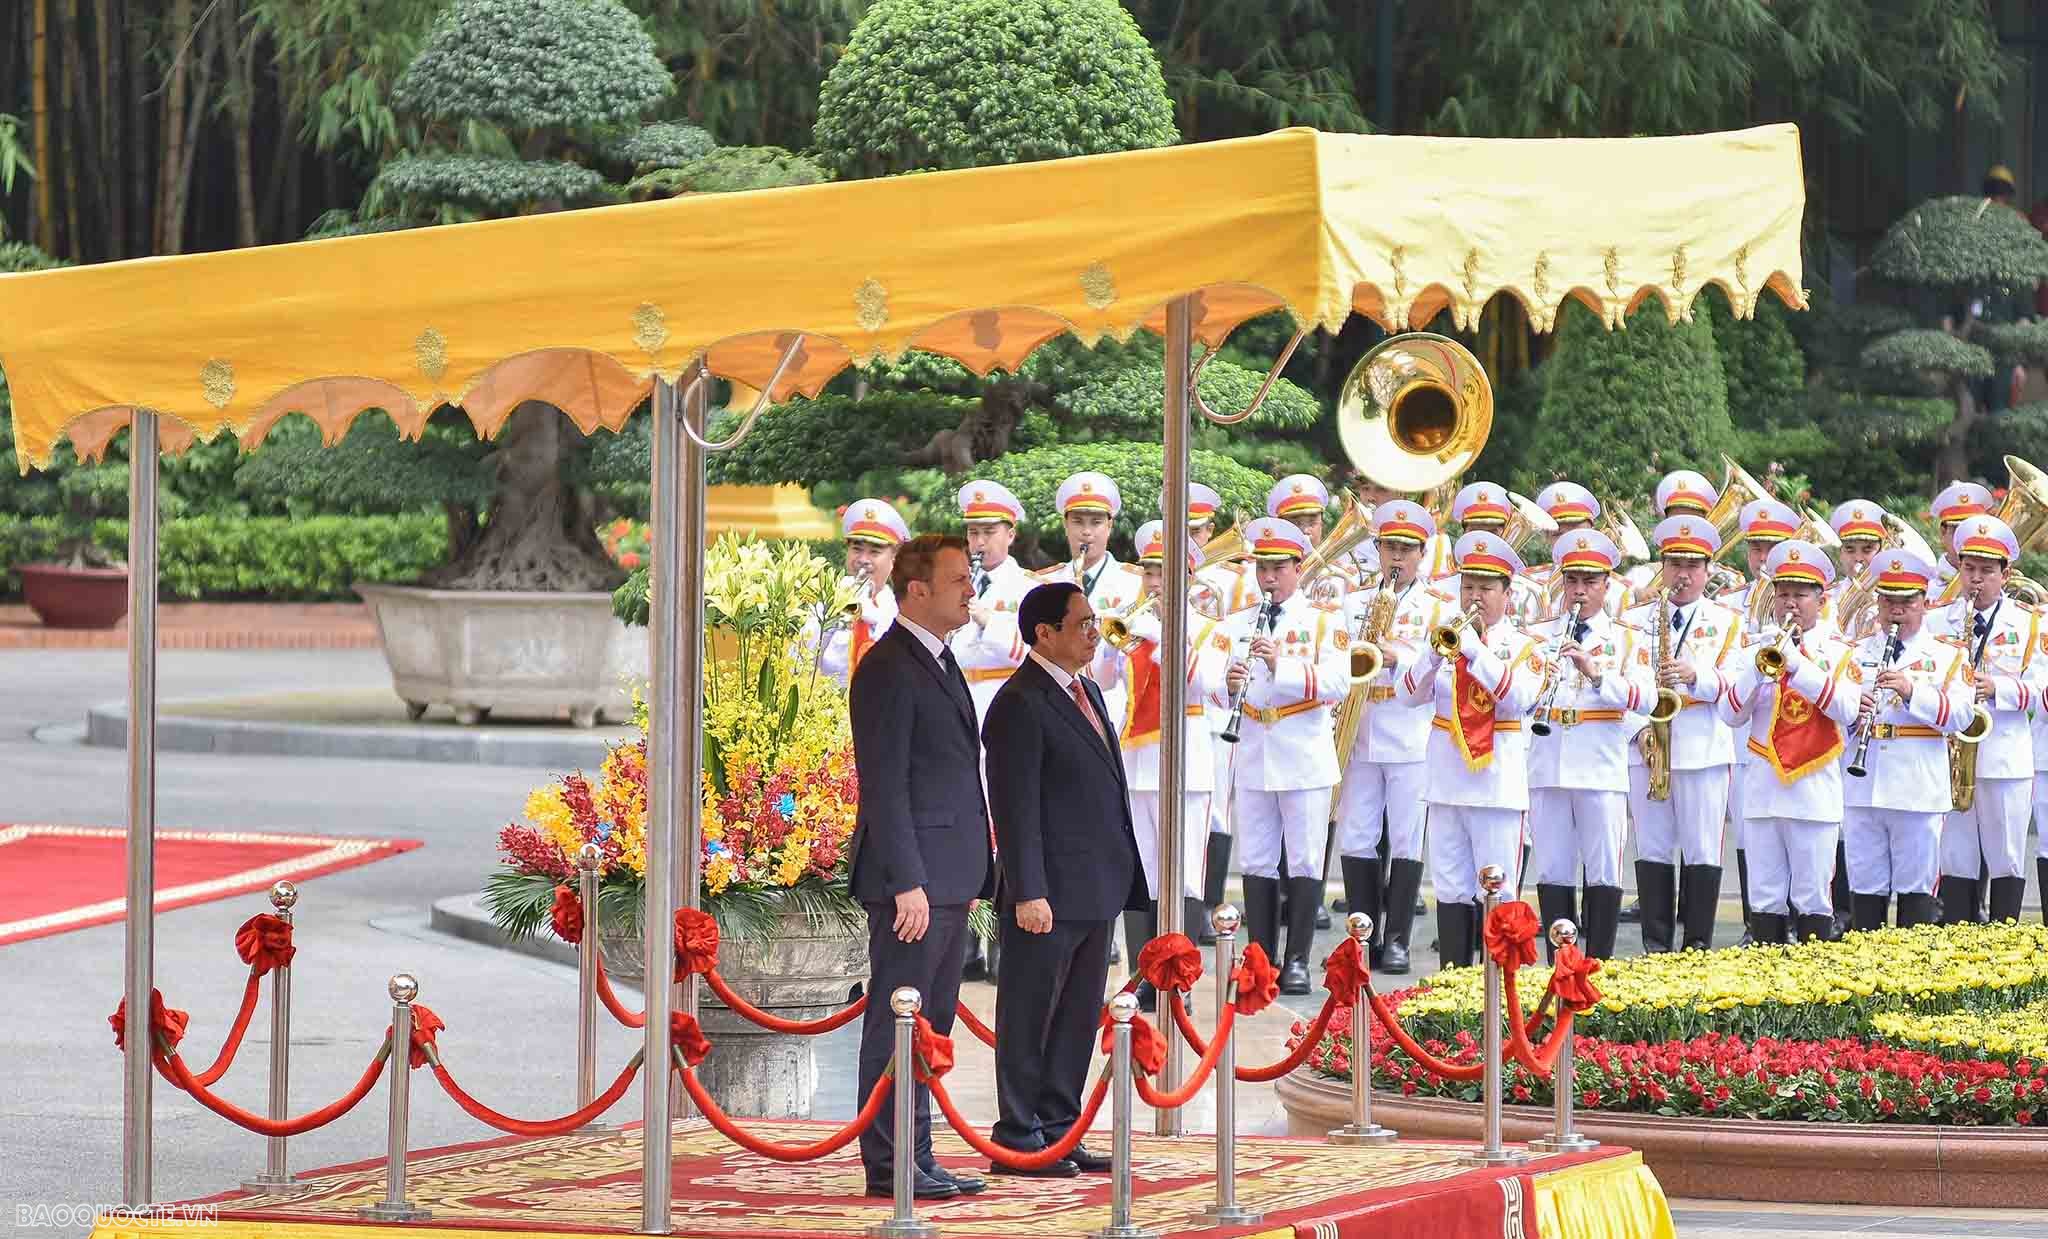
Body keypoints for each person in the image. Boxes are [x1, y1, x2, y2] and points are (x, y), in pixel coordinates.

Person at [846, 533, 993, 1201]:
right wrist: (906, 878)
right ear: (917, 590)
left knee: (928, 1024)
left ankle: (920, 1153)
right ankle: (889, 1162)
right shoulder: (888, 666)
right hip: (914, 880)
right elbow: (885, 784)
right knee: (898, 1019)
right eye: (958, 577)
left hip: (949, 874)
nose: (970, 587)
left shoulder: (937, 658)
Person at [983, 583, 1146, 1177]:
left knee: (1077, 1016)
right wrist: (1028, 889)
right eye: (1081, 623)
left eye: (1095, 619)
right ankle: (1020, 1134)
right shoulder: (1019, 703)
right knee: (1031, 1013)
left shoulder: (1090, 691)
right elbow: (1015, 807)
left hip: (1094, 886)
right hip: (1046, 893)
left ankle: (1059, 1127)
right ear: (1044, 633)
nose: (1093, 631)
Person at [1091, 522, 1228, 1008]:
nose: (1154, 582)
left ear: (1187, 579)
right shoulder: (1135, 627)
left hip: (1185, 761)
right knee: (1142, 870)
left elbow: (1206, 682)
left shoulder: (1210, 630)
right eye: (1149, 571)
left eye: (1163, 572)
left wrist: (1165, 638)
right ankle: (1144, 976)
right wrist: (1112, 644)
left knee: (1187, 872)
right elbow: (1103, 677)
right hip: (1137, 760)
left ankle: (1180, 979)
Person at [1396, 529, 1543, 968]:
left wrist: (1475, 650)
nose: (1475, 597)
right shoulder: (1444, 638)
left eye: (1485, 588)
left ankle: (1503, 992)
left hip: (1496, 785)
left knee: (1498, 890)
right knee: (1451, 888)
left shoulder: (1524, 648)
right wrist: (1429, 656)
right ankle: (1453, 984)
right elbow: (1406, 696)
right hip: (1445, 782)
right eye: (1468, 587)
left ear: (1506, 593)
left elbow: (1517, 698)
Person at [1220, 517, 1349, 994]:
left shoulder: (1323, 621)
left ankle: (1297, 959)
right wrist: (1227, 683)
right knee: (1255, 858)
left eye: (1278, 568)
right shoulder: (1237, 622)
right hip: (1253, 746)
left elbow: (1338, 682)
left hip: (1303, 753)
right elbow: (1217, 681)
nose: (1269, 578)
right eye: (1263, 568)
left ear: (1299, 568)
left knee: (1303, 858)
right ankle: (1260, 960)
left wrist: (1282, 664)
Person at [1719, 540, 1863, 944]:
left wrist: (1798, 667)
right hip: (1764, 790)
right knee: (1764, 897)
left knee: (1813, 896)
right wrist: (1756, 670)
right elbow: (1730, 714)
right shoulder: (1753, 649)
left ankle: (1813, 993)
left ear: (1822, 600)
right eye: (1783, 594)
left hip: (1813, 792)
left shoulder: (1839, 653)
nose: (1790, 604)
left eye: (1801, 594)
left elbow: (1848, 710)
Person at [1333, 500, 1454, 974]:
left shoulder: (1437, 609)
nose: (1396, 558)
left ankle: (1398, 939)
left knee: (1406, 836)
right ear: (1378, 551)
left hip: (1409, 730)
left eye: (1406, 549)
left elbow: (1436, 664)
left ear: (1422, 554)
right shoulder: (1353, 603)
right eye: (1389, 548)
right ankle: (1362, 935)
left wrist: (1395, 655)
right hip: (1361, 729)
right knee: (1358, 834)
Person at [1525, 529, 1655, 959]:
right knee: (1553, 867)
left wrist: (1596, 673)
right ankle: (1557, 966)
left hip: (1600, 762)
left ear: (1607, 585)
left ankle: (1598, 964)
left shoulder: (1628, 637)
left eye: (1590, 582)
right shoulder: (1538, 634)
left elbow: (1646, 699)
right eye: (1573, 581)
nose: (1579, 591)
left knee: (1603, 869)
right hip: (1547, 758)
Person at [1623, 516, 1742, 953]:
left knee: (1702, 849)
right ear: (1662, 566)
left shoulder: (1727, 621)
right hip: (1647, 745)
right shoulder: (1635, 621)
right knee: (1651, 847)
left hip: (1702, 748)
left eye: (1693, 565)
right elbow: (1621, 682)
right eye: (1675, 564)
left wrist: (1697, 677)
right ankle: (1656, 945)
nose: (1683, 574)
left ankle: (1696, 947)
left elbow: (1736, 687)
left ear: (1709, 570)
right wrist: (1638, 733)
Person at [1840, 549, 1973, 930]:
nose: (1895, 610)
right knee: (1865, 887)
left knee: (1916, 890)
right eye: (1888, 600)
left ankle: (1911, 981)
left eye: (1906, 601)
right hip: (1863, 784)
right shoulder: (1855, 653)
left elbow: (1962, 716)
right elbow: (1834, 715)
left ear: (1925, 603)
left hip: (1916, 787)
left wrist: (1912, 691)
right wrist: (1852, 713)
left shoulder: (1947, 656)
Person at [1925, 516, 2041, 924]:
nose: (1976, 580)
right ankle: (1960, 936)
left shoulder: (2030, 624)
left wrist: (2000, 690)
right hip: (1952, 757)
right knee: (1956, 854)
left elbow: (2044, 690)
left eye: (1986, 571)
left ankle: (2005, 938)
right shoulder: (1938, 621)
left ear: (2005, 574)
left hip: (2005, 758)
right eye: (1969, 569)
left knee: (2007, 852)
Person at [950, 480, 1035, 982]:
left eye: (988, 531)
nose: (979, 542)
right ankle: (966, 941)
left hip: (1005, 706)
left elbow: (1023, 648)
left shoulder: (1025, 587)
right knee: (968, 821)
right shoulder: (958, 580)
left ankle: (1003, 939)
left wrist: (988, 621)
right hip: (962, 708)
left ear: (1010, 532)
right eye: (972, 532)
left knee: (1007, 822)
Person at [1715, 496, 1800, 943]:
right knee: (1751, 834)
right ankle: (1757, 923)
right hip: (1747, 734)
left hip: (1798, 734)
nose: (1763, 558)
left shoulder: (1802, 602)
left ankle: (1793, 923)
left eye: (1773, 547)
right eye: (1756, 548)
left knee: (1798, 839)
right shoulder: (1729, 606)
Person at [818, 500, 910, 686]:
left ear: (894, 559)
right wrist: (838, 613)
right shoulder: (831, 597)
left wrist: (871, 615)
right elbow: (801, 658)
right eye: (856, 550)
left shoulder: (898, 607)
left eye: (874, 552)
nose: (863, 560)